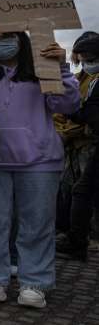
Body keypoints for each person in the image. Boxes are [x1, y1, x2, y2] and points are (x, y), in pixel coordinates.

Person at [0, 21, 79, 308]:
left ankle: (34, 282)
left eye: (9, 37)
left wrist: (61, 67)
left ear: (23, 42)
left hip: (40, 161)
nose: (3, 42)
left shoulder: (41, 74)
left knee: (37, 224)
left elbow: (68, 105)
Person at [56, 31, 99, 262]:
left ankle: (77, 240)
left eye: (88, 58)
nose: (84, 62)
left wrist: (70, 122)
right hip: (78, 144)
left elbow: (87, 113)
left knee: (82, 193)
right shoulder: (81, 78)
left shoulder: (93, 81)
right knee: (75, 191)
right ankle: (73, 237)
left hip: (88, 143)